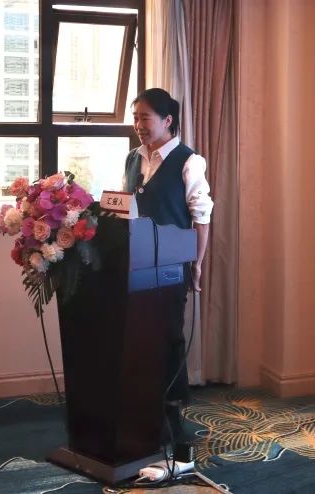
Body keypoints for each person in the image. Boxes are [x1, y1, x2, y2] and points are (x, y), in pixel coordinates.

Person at [122, 88, 213, 452]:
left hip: (172, 266)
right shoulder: (133, 158)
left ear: (167, 120)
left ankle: (174, 419)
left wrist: (197, 264)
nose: (138, 125)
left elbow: (201, 218)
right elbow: (126, 208)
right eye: (135, 118)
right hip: (136, 265)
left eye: (145, 117)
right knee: (140, 339)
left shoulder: (189, 161)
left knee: (169, 339)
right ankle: (146, 415)